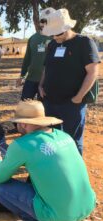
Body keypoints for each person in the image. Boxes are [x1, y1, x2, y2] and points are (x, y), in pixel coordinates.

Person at [0, 100, 96, 221]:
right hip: (87, 204)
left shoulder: (22, 144)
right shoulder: (63, 135)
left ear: (23, 124)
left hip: (60, 215)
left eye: (17, 123)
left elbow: (0, 177)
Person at [39, 8, 100, 154]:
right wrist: (41, 85)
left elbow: (93, 72)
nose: (55, 37)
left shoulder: (84, 42)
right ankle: (57, 164)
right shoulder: (52, 44)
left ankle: (73, 170)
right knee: (53, 136)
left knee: (72, 140)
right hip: (50, 101)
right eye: (52, 33)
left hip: (72, 103)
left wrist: (78, 97)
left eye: (58, 33)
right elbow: (47, 67)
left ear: (68, 27)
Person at [16, 8, 54, 100]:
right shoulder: (33, 38)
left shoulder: (57, 39)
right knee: (25, 105)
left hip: (48, 81)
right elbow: (27, 59)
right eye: (44, 20)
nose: (46, 23)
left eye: (49, 20)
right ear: (40, 22)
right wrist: (22, 75)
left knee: (44, 110)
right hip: (31, 79)